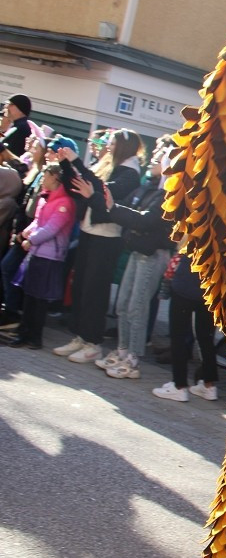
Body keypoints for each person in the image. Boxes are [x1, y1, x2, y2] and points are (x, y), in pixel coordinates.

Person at [52, 130, 143, 364]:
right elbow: (82, 187)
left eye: (112, 143)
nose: (108, 146)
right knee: (81, 285)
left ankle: (93, 342)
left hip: (107, 237)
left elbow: (101, 191)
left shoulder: (131, 173)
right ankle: (81, 336)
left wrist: (75, 162)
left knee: (95, 289)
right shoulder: (108, 164)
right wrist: (65, 165)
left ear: (123, 146)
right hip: (89, 230)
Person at [88, 137, 173, 379]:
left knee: (137, 307)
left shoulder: (170, 195)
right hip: (138, 250)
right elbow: (134, 215)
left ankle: (133, 360)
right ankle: (123, 351)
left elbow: (146, 220)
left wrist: (116, 211)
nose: (154, 160)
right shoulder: (152, 188)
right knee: (124, 304)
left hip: (153, 254)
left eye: (160, 159)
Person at [6, 162, 76, 349]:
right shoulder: (47, 199)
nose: (43, 179)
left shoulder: (65, 203)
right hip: (37, 253)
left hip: (49, 256)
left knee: (39, 299)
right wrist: (25, 234)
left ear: (54, 177)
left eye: (45, 176)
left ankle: (35, 337)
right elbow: (38, 222)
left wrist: (32, 240)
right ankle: (24, 333)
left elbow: (52, 228)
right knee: (29, 295)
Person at [152, 252, 218, 402]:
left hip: (187, 283)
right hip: (211, 285)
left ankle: (179, 385)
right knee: (206, 338)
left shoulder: (198, 229)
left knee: (178, 336)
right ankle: (209, 385)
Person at [0, 95, 33, 175]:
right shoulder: (17, 127)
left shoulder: (21, 128)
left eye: (10, 104)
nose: (6, 107)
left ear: (21, 110)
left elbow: (11, 154)